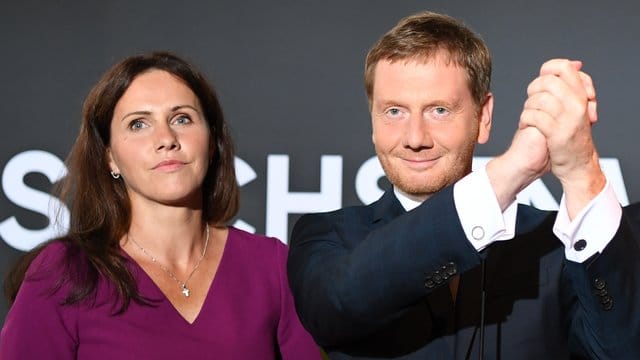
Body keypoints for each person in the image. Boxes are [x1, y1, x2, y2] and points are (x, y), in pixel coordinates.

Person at [287, 11, 640, 359]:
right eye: (394, 111)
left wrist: (582, 172)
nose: (414, 138)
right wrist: (515, 169)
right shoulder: (329, 237)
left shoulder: (557, 246)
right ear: (373, 122)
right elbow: (336, 306)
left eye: (439, 110)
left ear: (483, 117)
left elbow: (620, 350)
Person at [0, 52, 322, 359]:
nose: (166, 138)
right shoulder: (65, 272)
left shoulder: (272, 267)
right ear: (109, 156)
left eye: (182, 118)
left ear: (212, 143)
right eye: (139, 124)